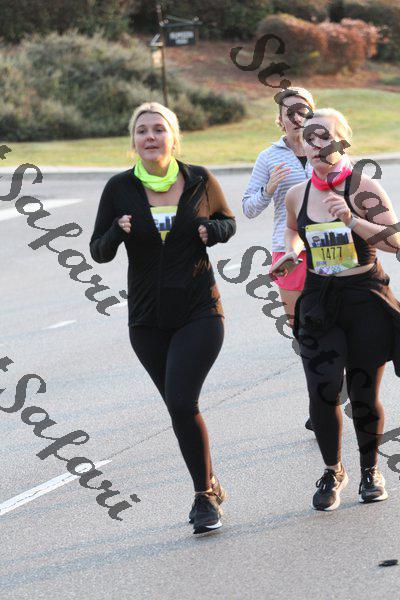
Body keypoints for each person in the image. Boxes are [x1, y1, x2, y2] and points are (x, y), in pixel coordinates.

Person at [89, 102, 236, 535]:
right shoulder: (119, 188)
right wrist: (117, 230)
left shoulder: (200, 180)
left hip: (199, 309)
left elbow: (228, 222)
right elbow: (98, 251)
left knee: (182, 402)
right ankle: (210, 481)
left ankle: (203, 497)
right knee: (178, 408)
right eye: (142, 131)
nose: (150, 137)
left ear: (174, 137)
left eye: (158, 129)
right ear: (133, 141)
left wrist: (214, 231)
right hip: (147, 319)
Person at [270, 108, 400, 511]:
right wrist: (290, 253)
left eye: (324, 136)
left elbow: (395, 241)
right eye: (308, 137)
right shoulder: (298, 193)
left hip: (364, 298)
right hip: (319, 299)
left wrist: (353, 220)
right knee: (322, 388)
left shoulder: (364, 189)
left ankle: (369, 471)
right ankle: (332, 469)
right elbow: (293, 230)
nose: (316, 144)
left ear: (343, 140)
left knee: (363, 393)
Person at [242, 86, 316, 431]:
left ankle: (329, 394)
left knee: (336, 323)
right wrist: (269, 188)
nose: (297, 117)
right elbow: (248, 208)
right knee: (302, 332)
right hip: (286, 252)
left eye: (304, 110)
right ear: (281, 120)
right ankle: (322, 400)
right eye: (290, 112)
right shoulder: (269, 157)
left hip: (327, 247)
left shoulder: (327, 148)